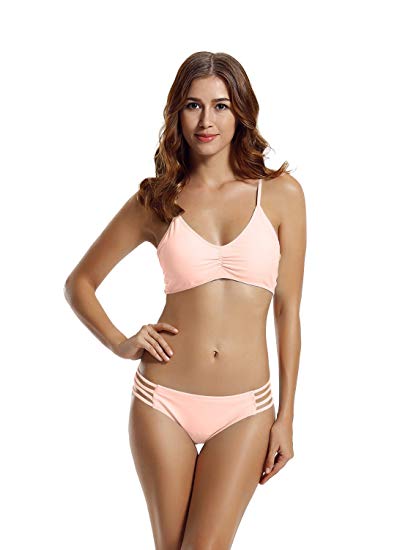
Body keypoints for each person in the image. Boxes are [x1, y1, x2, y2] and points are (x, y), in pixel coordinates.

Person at [64, 51, 307, 549]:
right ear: (177, 113)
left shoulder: (282, 194)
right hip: (163, 402)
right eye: (193, 105)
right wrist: (121, 342)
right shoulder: (157, 200)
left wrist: (286, 417)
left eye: (220, 106)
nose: (206, 121)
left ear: (241, 111)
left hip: (246, 407)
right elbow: (80, 283)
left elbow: (288, 311)